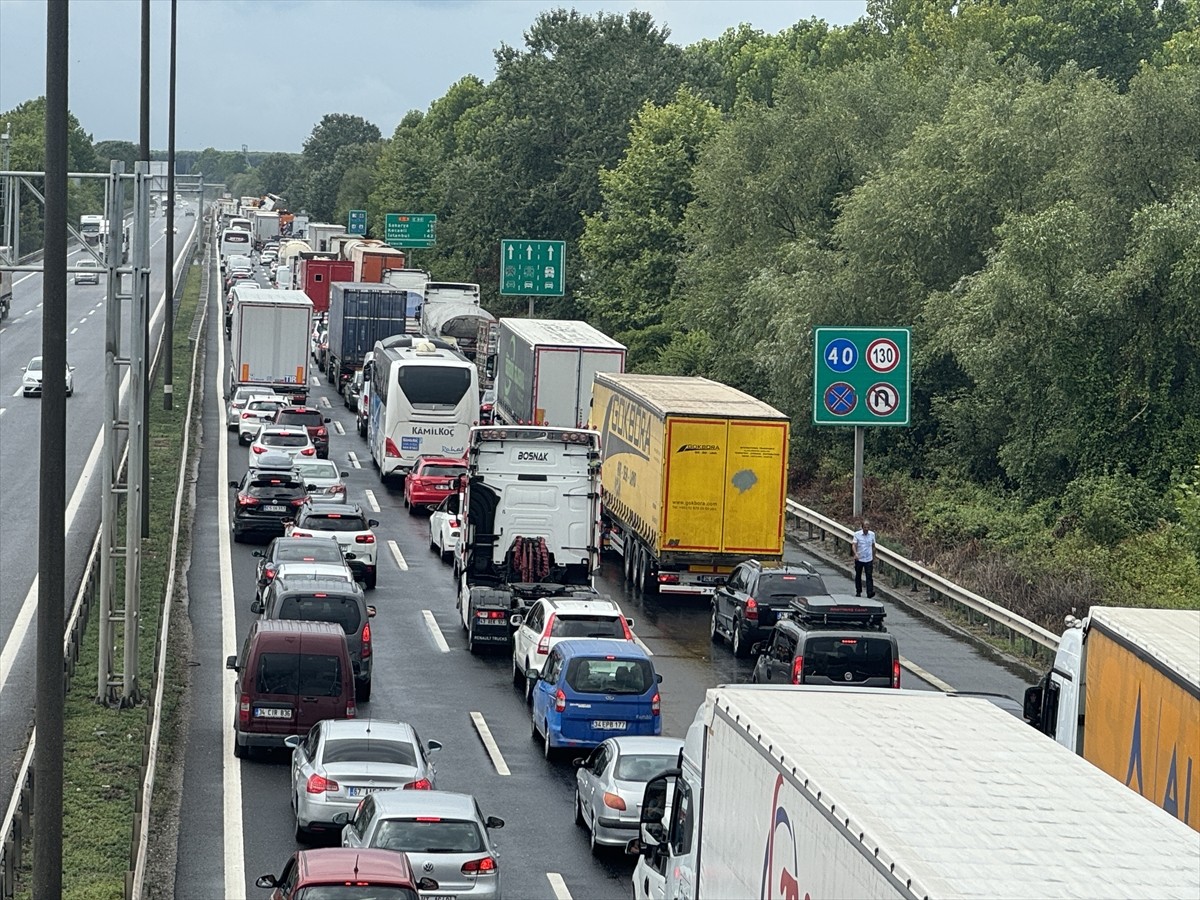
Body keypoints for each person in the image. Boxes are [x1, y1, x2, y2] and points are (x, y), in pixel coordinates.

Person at [851, 518, 876, 598]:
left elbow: (873, 546)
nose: (866, 529)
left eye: (868, 528)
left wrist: (874, 556)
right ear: (862, 527)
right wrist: (855, 554)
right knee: (858, 575)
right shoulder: (857, 534)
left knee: (869, 575)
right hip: (859, 558)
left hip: (868, 558)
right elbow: (854, 545)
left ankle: (870, 592)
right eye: (865, 527)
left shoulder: (872, 534)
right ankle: (858, 591)